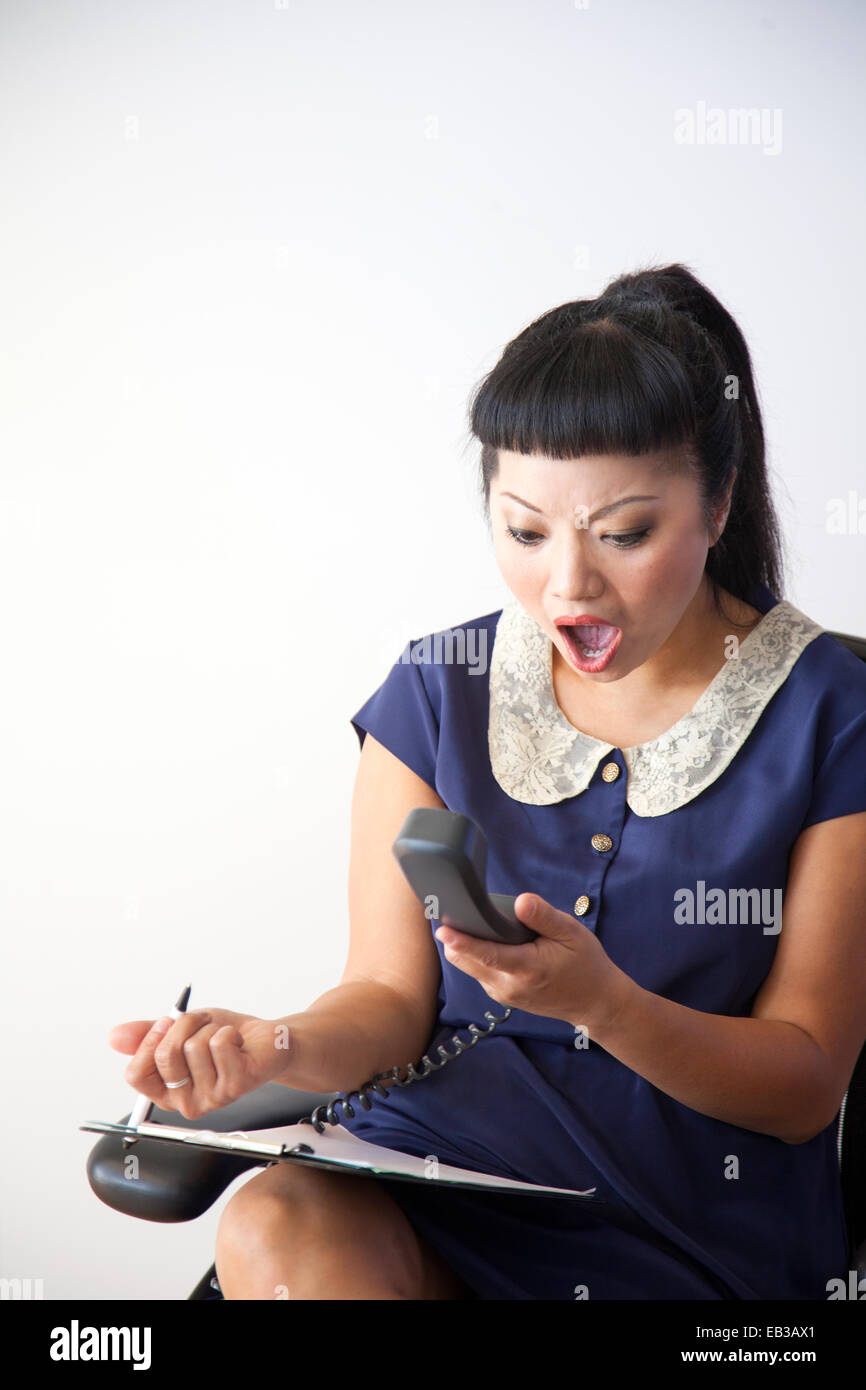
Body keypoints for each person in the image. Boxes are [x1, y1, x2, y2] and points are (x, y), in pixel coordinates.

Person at [109, 263, 866, 1300]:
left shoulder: (830, 710)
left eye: (624, 533)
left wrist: (604, 1004)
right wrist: (265, 1045)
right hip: (434, 1176)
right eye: (523, 530)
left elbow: (802, 1085)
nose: (567, 584)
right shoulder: (436, 689)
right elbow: (384, 1001)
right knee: (276, 1219)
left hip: (679, 1234)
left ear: (718, 500)